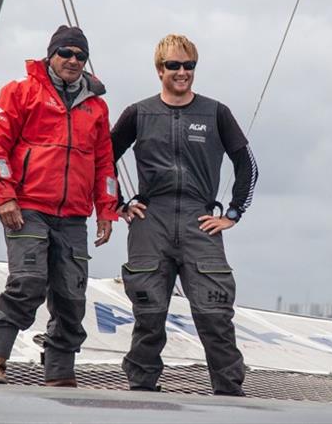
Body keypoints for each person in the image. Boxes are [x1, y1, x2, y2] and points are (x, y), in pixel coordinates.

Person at [111, 34, 258, 396]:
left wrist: (234, 213)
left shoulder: (216, 112)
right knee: (150, 312)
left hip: (200, 220)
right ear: (159, 69)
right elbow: (102, 159)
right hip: (151, 219)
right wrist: (118, 204)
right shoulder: (138, 113)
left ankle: (229, 393)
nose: (182, 72)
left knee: (215, 313)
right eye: (174, 66)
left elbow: (246, 165)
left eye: (189, 66)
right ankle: (141, 390)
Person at [0, 25, 119, 387]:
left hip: (73, 215)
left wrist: (107, 209)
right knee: (28, 282)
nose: (73, 61)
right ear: (51, 54)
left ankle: (59, 374)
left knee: (72, 295)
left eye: (80, 56)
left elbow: (105, 163)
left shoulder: (96, 106)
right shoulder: (20, 92)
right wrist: (5, 195)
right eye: (66, 53)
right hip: (27, 207)